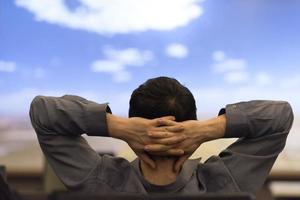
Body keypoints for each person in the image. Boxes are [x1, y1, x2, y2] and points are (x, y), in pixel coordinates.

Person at [29, 76, 293, 196]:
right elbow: (280, 117)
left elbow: (44, 112)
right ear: (192, 125)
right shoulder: (223, 183)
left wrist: (117, 127)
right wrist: (207, 130)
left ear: (134, 128)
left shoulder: (99, 182)